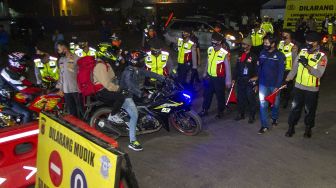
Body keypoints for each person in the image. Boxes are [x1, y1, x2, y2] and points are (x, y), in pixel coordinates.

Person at [120, 51, 167, 151]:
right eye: (141, 60)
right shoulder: (128, 72)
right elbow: (130, 85)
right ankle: (132, 141)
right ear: (135, 61)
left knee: (151, 98)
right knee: (134, 115)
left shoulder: (137, 69)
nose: (143, 61)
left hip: (134, 93)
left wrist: (163, 78)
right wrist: (141, 93)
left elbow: (148, 73)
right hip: (126, 95)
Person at [285, 32, 328, 138]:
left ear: (316, 42)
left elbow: (319, 74)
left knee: (309, 110)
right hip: (298, 86)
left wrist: (307, 65)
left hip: (312, 89)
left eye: (310, 42)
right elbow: (295, 67)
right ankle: (291, 127)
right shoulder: (303, 51)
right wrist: (288, 78)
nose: (308, 43)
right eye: (307, 41)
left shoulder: (322, 56)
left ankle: (308, 128)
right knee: (295, 108)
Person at [199, 33, 232, 119]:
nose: (213, 44)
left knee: (220, 95)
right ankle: (204, 110)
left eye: (215, 42)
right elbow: (208, 61)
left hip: (219, 79)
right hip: (210, 77)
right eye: (212, 41)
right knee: (207, 94)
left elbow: (228, 68)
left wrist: (228, 80)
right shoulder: (210, 49)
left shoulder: (225, 53)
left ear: (220, 42)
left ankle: (221, 111)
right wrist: (205, 72)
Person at [258, 34, 285, 134]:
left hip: (274, 85)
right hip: (263, 84)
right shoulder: (262, 53)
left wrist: (278, 86)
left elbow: (281, 72)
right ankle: (264, 125)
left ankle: (274, 117)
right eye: (264, 42)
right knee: (263, 105)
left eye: (267, 43)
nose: (264, 44)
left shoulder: (279, 55)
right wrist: (257, 82)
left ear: (273, 44)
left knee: (275, 104)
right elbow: (259, 68)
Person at [0, 52, 38, 123]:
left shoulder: (14, 72)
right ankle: (25, 131)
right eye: (22, 62)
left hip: (11, 97)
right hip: (4, 100)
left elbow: (26, 82)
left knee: (30, 101)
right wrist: (40, 91)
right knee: (27, 113)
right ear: (15, 62)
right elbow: (23, 89)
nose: (24, 64)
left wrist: (39, 87)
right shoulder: (7, 72)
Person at [232, 37, 258, 123]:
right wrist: (234, 78)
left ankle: (252, 116)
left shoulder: (254, 56)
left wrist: (256, 81)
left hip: (250, 81)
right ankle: (241, 114)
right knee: (240, 98)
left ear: (249, 46)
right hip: (241, 80)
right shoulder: (240, 55)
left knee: (251, 99)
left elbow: (257, 70)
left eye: (244, 44)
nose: (242, 46)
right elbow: (237, 67)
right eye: (242, 44)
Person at [56, 41, 81, 118]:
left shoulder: (76, 58)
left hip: (76, 90)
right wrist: (60, 89)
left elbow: (81, 73)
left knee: (81, 111)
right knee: (72, 112)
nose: (58, 51)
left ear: (64, 48)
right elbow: (61, 75)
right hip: (66, 91)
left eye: (59, 49)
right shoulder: (61, 60)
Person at [278, 29, 298, 108]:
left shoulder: (293, 46)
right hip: (279, 68)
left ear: (290, 36)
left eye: (286, 34)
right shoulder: (280, 43)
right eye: (283, 34)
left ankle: (286, 99)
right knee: (279, 84)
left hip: (288, 69)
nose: (284, 36)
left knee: (287, 87)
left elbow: (295, 59)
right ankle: (281, 97)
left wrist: (293, 71)